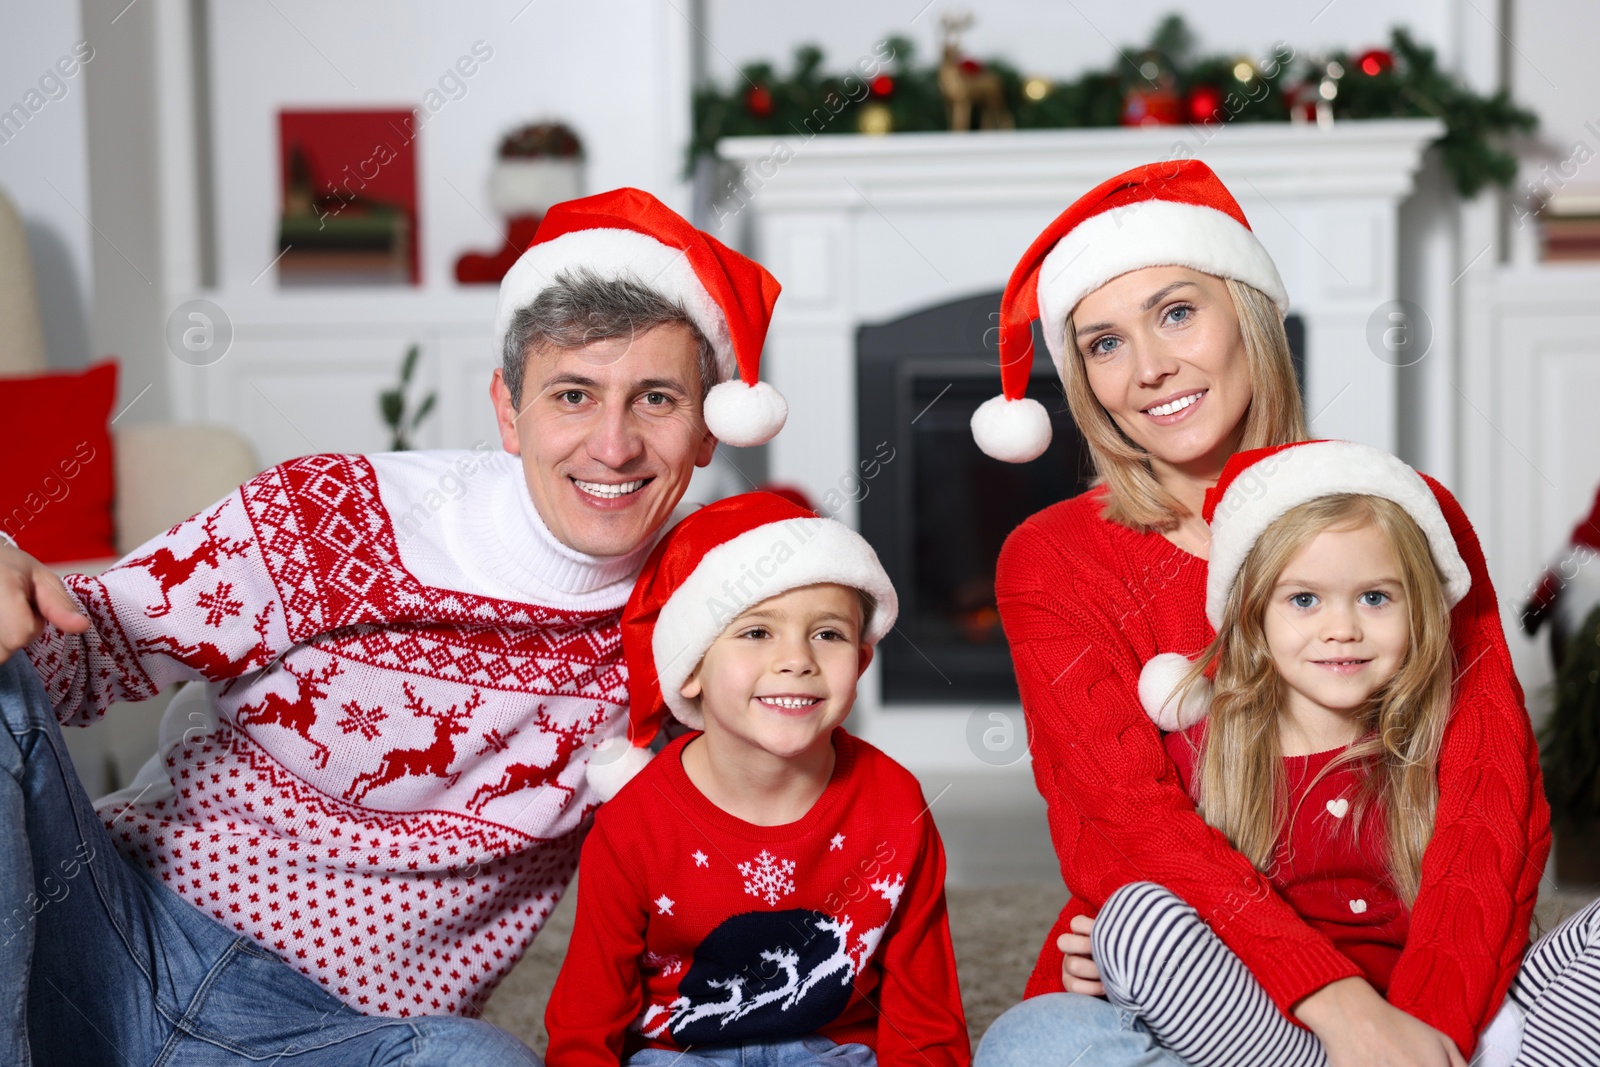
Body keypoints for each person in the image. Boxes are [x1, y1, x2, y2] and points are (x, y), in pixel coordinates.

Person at [0, 188, 789, 1065]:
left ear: (708, 430)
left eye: (655, 399)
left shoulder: (692, 625)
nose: (613, 445)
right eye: (573, 394)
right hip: (116, 930)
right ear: (506, 407)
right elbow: (73, 665)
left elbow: (720, 860)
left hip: (339, 1037)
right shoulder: (328, 514)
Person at [968, 160, 1549, 1067]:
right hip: (1206, 981)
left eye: (1176, 311)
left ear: (1248, 312)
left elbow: (1490, 786)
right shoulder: (1051, 558)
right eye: (1104, 343)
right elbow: (1128, 825)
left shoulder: (1402, 507)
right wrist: (1345, 1013)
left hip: (1419, 963)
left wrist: (1423, 1029)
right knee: (1035, 1046)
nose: (1151, 368)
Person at [1100, 439, 1600, 1067]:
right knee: (1132, 921)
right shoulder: (1207, 754)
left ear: (1420, 612)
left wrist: (1439, 1033)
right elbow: (1172, 889)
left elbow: (1483, 900)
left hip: (1450, 1025)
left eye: (1375, 597)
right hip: (1275, 1030)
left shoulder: (1441, 745)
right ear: (1253, 618)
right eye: (1304, 599)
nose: (1343, 628)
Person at [544, 492, 969, 1066]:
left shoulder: (894, 804)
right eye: (756, 633)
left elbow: (924, 1011)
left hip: (834, 1052)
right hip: (680, 1054)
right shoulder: (632, 824)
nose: (796, 660)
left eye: (828, 634)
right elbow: (588, 1018)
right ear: (690, 668)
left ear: (861, 664)